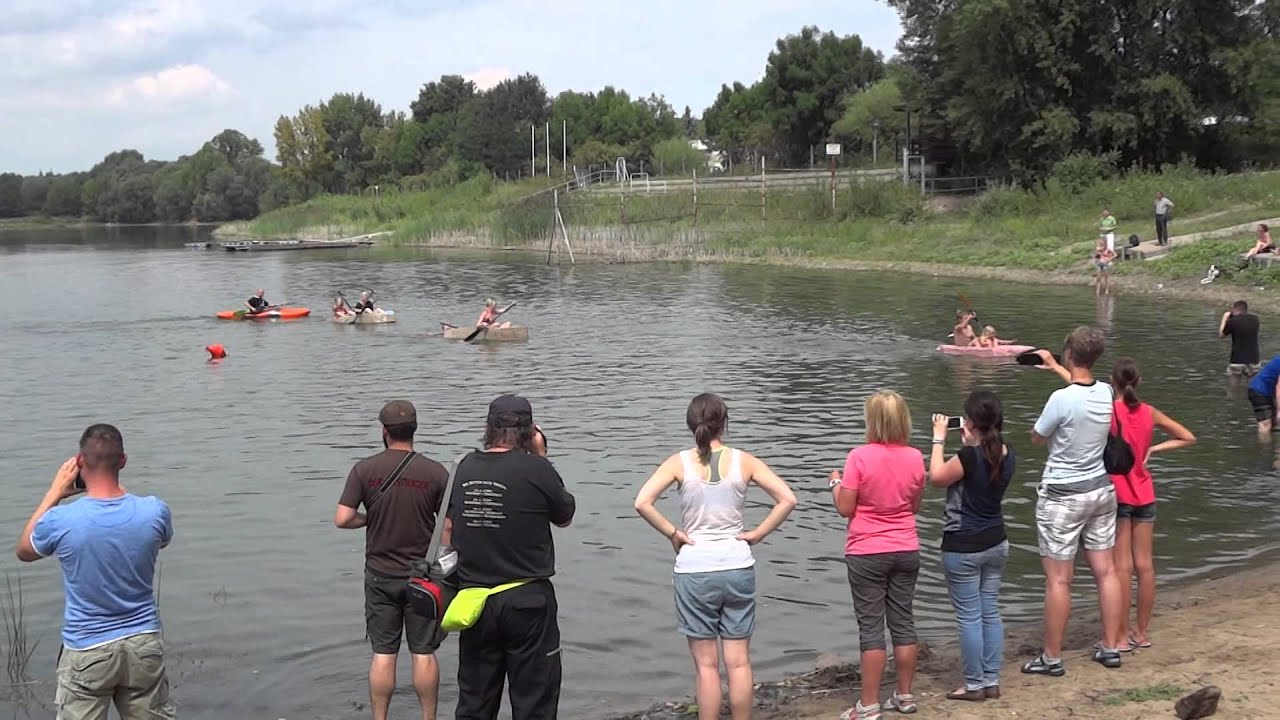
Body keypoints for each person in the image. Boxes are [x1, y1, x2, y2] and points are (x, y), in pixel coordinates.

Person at [634, 394, 797, 720]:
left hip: (694, 570)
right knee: (739, 662)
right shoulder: (744, 461)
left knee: (706, 667)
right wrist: (758, 534)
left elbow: (642, 502)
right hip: (737, 566)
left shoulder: (678, 462)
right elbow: (787, 499)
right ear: (724, 422)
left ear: (691, 424)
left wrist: (674, 533)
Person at [15, 424, 176, 719]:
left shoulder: (60, 520)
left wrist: (55, 493)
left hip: (88, 648)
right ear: (123, 461)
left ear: (79, 462)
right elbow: (161, 541)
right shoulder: (154, 511)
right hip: (143, 643)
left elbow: (25, 550)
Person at [445, 395, 575, 720]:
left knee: (475, 702)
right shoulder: (536, 468)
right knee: (534, 702)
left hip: (475, 601)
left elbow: (448, 528)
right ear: (530, 431)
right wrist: (541, 456)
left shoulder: (463, 467)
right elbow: (565, 516)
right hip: (527, 600)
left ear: (488, 428)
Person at [335, 400, 450, 720]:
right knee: (423, 653)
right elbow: (448, 527)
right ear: (414, 430)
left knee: (383, 654)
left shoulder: (364, 469)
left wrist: (368, 520)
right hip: (422, 577)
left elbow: (343, 518)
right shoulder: (435, 472)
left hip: (380, 575)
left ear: (384, 431)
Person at [1023, 327, 1128, 675]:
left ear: (1069, 353)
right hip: (1101, 490)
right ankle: (1111, 647)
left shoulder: (1060, 399)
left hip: (1063, 496)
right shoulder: (1107, 392)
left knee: (1059, 580)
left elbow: (1037, 438)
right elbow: (1081, 386)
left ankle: (1052, 657)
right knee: (1106, 571)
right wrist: (1055, 366)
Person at [829, 390, 926, 720]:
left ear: (872, 421)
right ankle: (905, 695)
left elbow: (846, 508)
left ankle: (868, 704)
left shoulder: (858, 457)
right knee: (903, 622)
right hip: (906, 547)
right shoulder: (915, 457)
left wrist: (835, 484)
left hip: (867, 550)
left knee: (871, 628)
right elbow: (914, 505)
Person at [928, 392, 1014, 702]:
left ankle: (974, 684)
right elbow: (981, 475)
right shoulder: (1007, 452)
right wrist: (970, 443)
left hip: (963, 544)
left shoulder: (967, 457)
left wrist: (938, 439)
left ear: (972, 423)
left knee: (969, 616)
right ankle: (991, 679)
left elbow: (936, 477)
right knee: (989, 610)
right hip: (996, 540)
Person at [1107, 359, 1196, 652]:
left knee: (1122, 567)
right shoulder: (1149, 412)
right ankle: (1142, 632)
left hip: (1119, 493)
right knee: (1145, 566)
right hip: (1145, 492)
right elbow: (1187, 437)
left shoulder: (1108, 411)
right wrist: (1153, 449)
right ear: (1139, 381)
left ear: (1111, 381)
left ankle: (1120, 635)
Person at [1220, 300, 1261, 377]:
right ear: (1246, 309)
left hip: (1237, 359)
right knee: (1253, 383)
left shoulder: (1232, 321)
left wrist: (1225, 318)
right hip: (1254, 359)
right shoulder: (1255, 319)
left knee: (1234, 383)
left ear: (1234, 309)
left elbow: (1221, 335)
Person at [1246, 355, 1280, 437]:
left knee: (1274, 425)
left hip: (1269, 393)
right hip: (1259, 391)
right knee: (1265, 425)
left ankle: (1270, 443)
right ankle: (1264, 444)